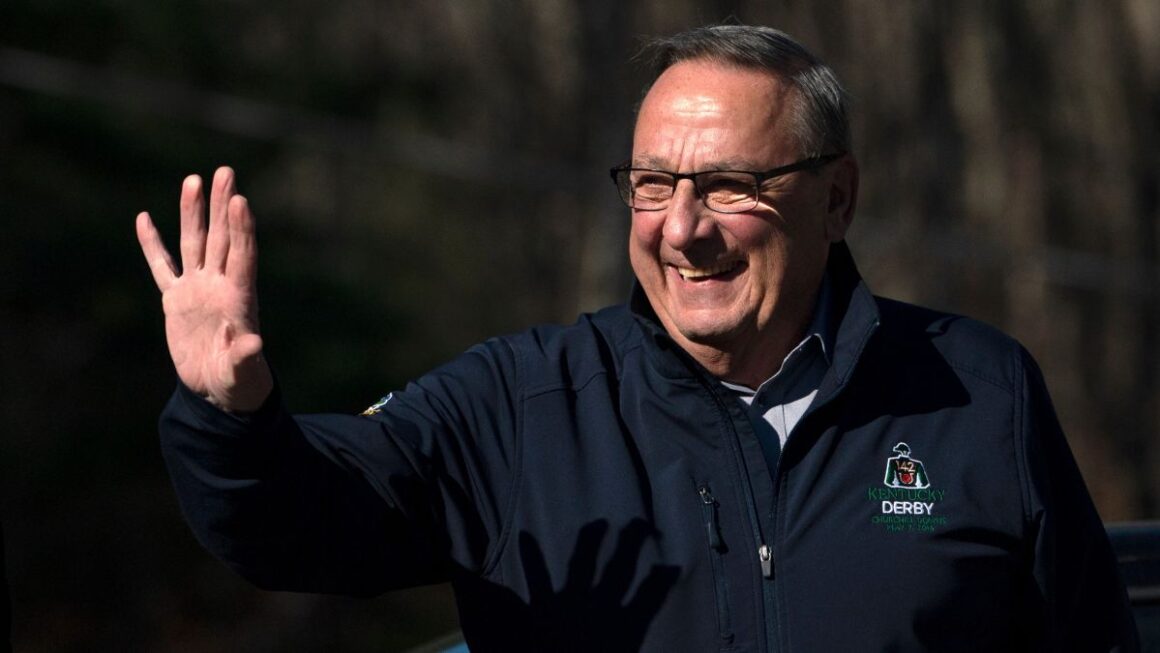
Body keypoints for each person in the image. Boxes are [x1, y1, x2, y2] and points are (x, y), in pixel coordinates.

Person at [136, 25, 1138, 651]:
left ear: (834, 197)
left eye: (728, 186)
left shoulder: (975, 391)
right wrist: (233, 416)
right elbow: (295, 524)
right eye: (652, 183)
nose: (680, 226)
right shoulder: (519, 405)